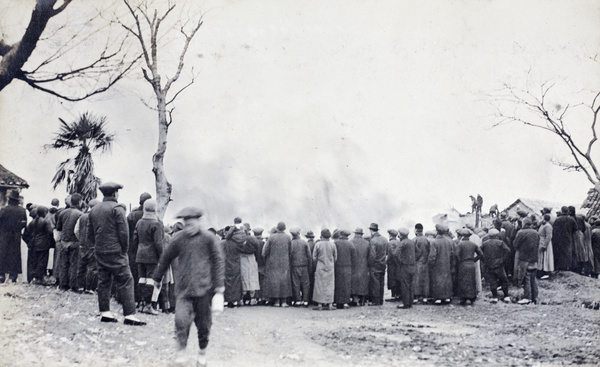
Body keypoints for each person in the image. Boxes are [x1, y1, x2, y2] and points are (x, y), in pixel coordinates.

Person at [152, 207, 225, 367]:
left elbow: (218, 261)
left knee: (204, 326)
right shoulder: (178, 238)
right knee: (181, 321)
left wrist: (219, 288)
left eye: (192, 224)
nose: (189, 228)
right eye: (187, 225)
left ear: (199, 222)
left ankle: (202, 354)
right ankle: (181, 353)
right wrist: (157, 277)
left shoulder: (209, 239)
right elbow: (165, 258)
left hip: (204, 290)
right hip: (184, 291)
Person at [87, 182, 145, 326]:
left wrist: (98, 245)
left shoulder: (94, 210)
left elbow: (90, 234)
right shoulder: (118, 209)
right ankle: (130, 314)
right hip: (116, 251)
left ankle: (105, 312)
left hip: (100, 250)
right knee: (126, 280)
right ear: (114, 194)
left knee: (104, 280)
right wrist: (124, 249)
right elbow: (124, 233)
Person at [134, 199, 164, 315]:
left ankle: (141, 304)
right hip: (152, 256)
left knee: (141, 279)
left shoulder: (139, 222)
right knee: (151, 280)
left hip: (140, 254)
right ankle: (148, 305)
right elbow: (158, 242)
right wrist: (162, 256)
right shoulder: (156, 223)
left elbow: (135, 240)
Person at [127, 192, 152, 307]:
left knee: (134, 274)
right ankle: (144, 300)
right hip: (147, 251)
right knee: (146, 277)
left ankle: (135, 299)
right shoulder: (151, 217)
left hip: (132, 249)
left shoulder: (131, 215)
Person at [56, 193, 83, 292]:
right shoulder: (80, 214)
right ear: (79, 202)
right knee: (74, 264)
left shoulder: (62, 213)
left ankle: (63, 284)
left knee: (63, 263)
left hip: (64, 241)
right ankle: (73, 285)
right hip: (75, 241)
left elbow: (58, 228)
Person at [262, 221, 293, 307]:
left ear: (277, 228)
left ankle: (276, 301)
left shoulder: (272, 237)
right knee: (284, 281)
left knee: (275, 280)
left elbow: (265, 252)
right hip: (285, 262)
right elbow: (291, 251)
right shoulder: (288, 237)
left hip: (273, 262)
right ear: (284, 228)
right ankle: (284, 301)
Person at [0, 190, 27, 283]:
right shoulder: (22, 211)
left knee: (3, 253)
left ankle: (1, 274)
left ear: (10, 200)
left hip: (4, 235)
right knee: (15, 254)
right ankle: (13, 275)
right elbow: (24, 224)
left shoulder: (3, 209)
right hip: (16, 235)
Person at [454, 228, 484, 306]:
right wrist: (474, 260)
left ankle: (463, 298)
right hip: (471, 264)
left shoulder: (460, 244)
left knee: (463, 281)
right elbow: (481, 254)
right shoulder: (473, 244)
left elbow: (456, 254)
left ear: (463, 236)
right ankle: (471, 298)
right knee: (471, 281)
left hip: (463, 264)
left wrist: (460, 261)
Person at [514, 218, 540, 304]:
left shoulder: (521, 232)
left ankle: (527, 297)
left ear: (524, 224)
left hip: (524, 258)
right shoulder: (536, 232)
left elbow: (515, 244)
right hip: (534, 258)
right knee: (533, 278)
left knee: (526, 277)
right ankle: (535, 297)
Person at [75, 199, 99, 294]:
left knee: (81, 266)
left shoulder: (82, 216)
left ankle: (80, 286)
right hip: (92, 246)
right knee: (92, 267)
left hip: (82, 245)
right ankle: (89, 288)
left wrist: (80, 239)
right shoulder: (96, 217)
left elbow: (76, 230)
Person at [481, 229, 511, 302]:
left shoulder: (485, 243)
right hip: (499, 265)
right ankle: (506, 296)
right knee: (504, 280)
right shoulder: (500, 243)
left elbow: (480, 253)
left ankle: (495, 297)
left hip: (490, 264)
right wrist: (503, 260)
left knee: (493, 280)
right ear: (497, 235)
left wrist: (485, 260)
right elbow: (508, 251)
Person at [428, 224, 455, 304]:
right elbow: (453, 254)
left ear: (437, 231)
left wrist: (430, 265)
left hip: (437, 265)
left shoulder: (434, 242)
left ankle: (438, 298)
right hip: (447, 264)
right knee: (447, 280)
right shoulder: (449, 241)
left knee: (437, 281)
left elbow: (432, 256)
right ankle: (447, 297)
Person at [312, 228, 337, 310]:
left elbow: (314, 257)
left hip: (320, 266)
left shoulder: (318, 244)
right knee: (330, 285)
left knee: (319, 285)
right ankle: (330, 304)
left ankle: (320, 304)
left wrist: (317, 264)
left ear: (321, 236)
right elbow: (335, 257)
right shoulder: (333, 245)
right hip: (330, 267)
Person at [288, 227, 311, 306]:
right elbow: (309, 256)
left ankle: (297, 300)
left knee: (296, 283)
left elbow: (289, 255)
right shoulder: (304, 243)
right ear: (298, 234)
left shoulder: (290, 243)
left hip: (294, 266)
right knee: (305, 284)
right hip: (304, 265)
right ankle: (305, 300)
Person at [394, 228, 416, 309]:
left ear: (401, 235)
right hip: (412, 265)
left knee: (405, 285)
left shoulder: (402, 243)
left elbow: (395, 253)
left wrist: (400, 261)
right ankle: (410, 302)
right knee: (411, 285)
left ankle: (405, 303)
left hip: (405, 266)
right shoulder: (411, 242)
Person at [367, 223, 388, 306]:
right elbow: (387, 252)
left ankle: (375, 301)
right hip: (383, 264)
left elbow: (372, 255)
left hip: (375, 265)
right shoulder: (384, 239)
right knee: (381, 283)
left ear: (371, 231)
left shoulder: (373, 241)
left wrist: (369, 264)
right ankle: (380, 300)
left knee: (375, 283)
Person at [333, 229, 354, 309]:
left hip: (337, 267)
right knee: (346, 284)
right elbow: (353, 257)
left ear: (340, 235)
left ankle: (338, 301)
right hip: (348, 266)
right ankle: (345, 302)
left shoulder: (335, 243)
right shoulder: (350, 244)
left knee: (338, 284)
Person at [552, 206, 577, 271]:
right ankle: (566, 267)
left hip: (559, 238)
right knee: (567, 252)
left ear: (562, 211)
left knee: (559, 252)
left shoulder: (557, 219)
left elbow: (554, 229)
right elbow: (575, 229)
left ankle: (559, 267)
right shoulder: (572, 220)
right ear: (567, 211)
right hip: (568, 238)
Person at [350, 228, 371, 306]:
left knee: (354, 283)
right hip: (364, 265)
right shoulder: (367, 243)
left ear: (355, 234)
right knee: (363, 282)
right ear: (361, 234)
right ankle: (362, 300)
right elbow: (370, 256)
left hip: (354, 265)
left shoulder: (351, 242)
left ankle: (355, 300)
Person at [412, 223, 431, 303]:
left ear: (416, 230)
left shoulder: (414, 240)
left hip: (417, 262)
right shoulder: (427, 240)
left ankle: (416, 297)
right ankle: (424, 297)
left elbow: (413, 253)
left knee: (417, 280)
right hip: (425, 262)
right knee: (425, 280)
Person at [537, 214, 554, 279]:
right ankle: (540, 270)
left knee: (545, 257)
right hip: (541, 242)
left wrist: (544, 245)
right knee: (541, 257)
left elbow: (549, 236)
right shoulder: (542, 225)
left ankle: (546, 272)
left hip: (545, 243)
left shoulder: (548, 226)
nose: (542, 220)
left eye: (543, 218)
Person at [386, 229, 400, 301]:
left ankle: (394, 296)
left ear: (390, 235)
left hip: (392, 264)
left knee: (392, 280)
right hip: (398, 264)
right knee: (397, 279)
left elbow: (391, 254)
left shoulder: (390, 243)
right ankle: (398, 295)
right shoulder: (399, 241)